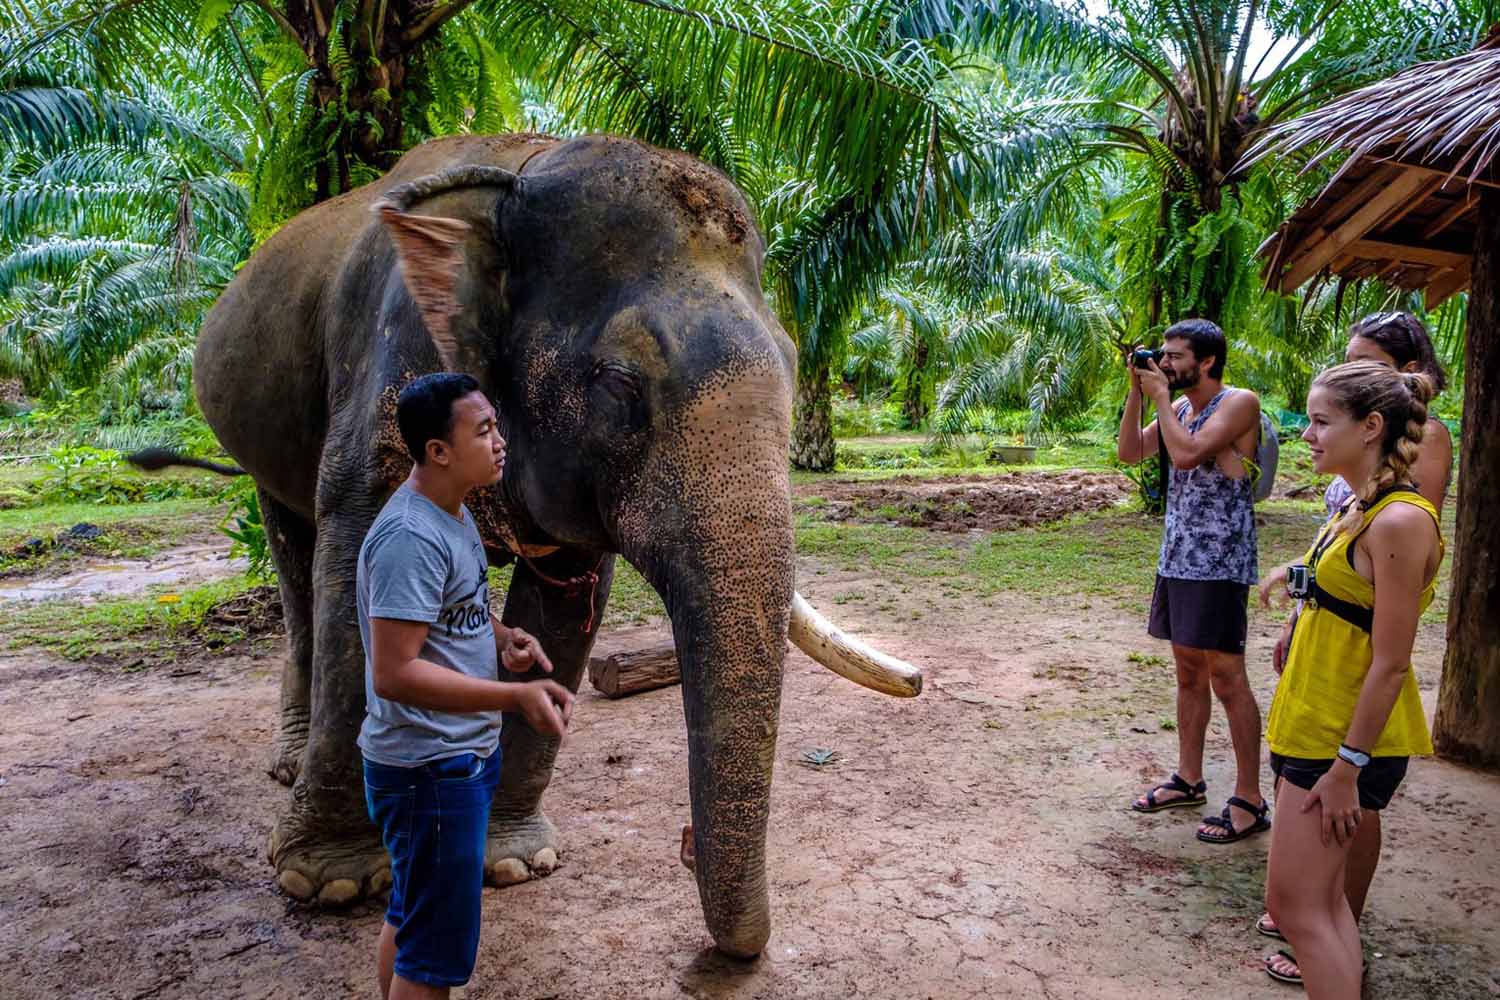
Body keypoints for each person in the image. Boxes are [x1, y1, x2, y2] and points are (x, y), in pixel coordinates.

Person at [358, 372, 576, 1000]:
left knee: (413, 916)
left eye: (496, 426)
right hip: (430, 769)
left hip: (449, 760)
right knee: (434, 958)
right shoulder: (411, 537)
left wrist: (501, 636)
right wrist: (514, 697)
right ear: (438, 452)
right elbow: (394, 672)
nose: (500, 442)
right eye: (483, 431)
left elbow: (447, 614)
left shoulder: (450, 515)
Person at [1258, 312, 1453, 983]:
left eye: (1319, 422)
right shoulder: (1366, 503)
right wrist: (1297, 578)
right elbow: (1352, 594)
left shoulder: (1400, 518)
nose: (1305, 436)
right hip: (1316, 716)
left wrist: (1347, 767)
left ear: (1370, 427)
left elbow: (1394, 656)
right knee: (1315, 906)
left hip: (1342, 736)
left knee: (1300, 910)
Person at [1118, 319, 1269, 843]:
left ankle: (1250, 796)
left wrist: (1160, 397)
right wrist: (1139, 394)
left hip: (1220, 561)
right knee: (1187, 673)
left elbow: (1185, 453)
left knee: (1227, 677)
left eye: (1177, 356)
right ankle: (1189, 777)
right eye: (1163, 354)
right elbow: (1131, 454)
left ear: (1206, 361)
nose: (1167, 363)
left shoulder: (1238, 402)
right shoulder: (1177, 407)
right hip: (1179, 557)